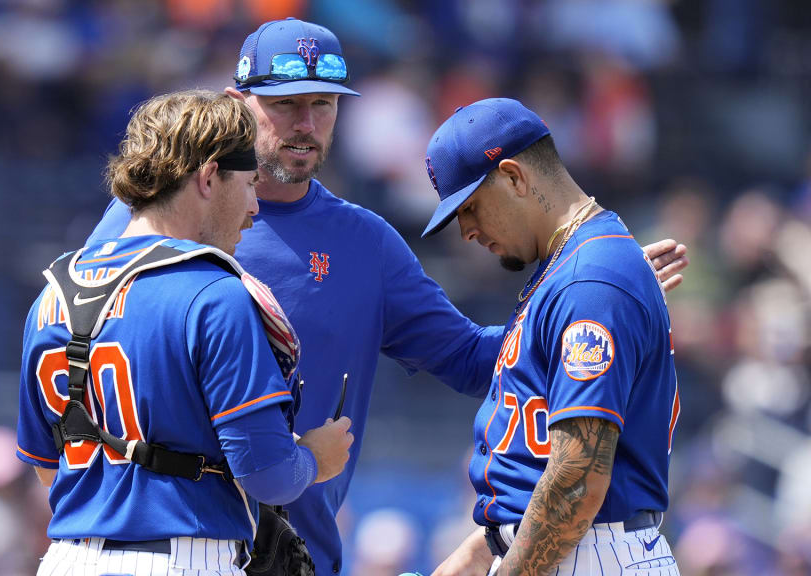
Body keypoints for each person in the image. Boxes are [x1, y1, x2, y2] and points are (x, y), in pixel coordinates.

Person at [86, 19, 689, 575]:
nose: (306, 123)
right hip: (160, 535)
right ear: (239, 102)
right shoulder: (153, 214)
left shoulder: (365, 243)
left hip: (295, 552)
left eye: (322, 104)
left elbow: (480, 362)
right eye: (285, 104)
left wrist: (590, 296)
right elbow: (71, 354)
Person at [16, 89, 353, 576]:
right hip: (182, 559)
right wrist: (313, 460)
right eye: (249, 183)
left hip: (67, 558)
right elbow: (269, 475)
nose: (254, 207)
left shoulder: (53, 292)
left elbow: (48, 467)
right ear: (210, 177)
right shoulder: (214, 294)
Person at [423, 98, 680, 576]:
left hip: (589, 554)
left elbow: (575, 484)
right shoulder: (573, 272)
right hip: (562, 552)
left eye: (471, 206)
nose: (466, 231)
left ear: (515, 177)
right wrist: (474, 558)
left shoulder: (589, 280)